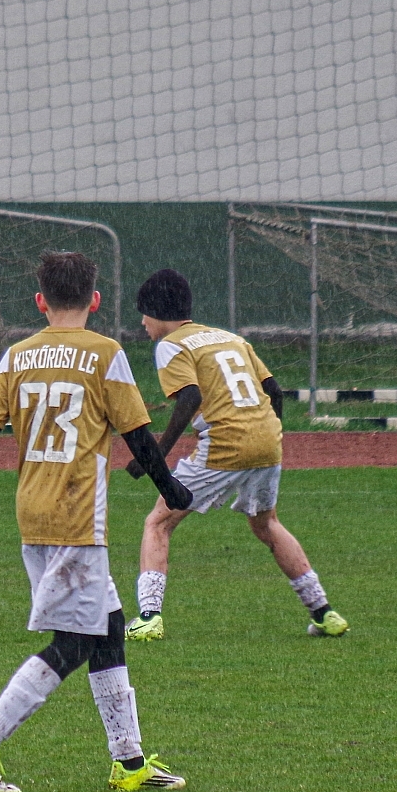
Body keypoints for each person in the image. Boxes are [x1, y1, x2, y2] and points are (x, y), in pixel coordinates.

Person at [0, 251, 193, 792]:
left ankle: (129, 761)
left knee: (109, 627)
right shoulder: (106, 354)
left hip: (33, 512)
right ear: (95, 300)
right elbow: (137, 436)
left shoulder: (16, 356)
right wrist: (172, 488)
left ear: (40, 302)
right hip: (77, 515)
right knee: (76, 641)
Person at [122, 268, 349, 641]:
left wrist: (155, 456)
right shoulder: (231, 338)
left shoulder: (171, 345)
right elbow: (274, 391)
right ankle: (324, 613)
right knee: (267, 524)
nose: (143, 323)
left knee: (159, 522)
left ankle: (149, 617)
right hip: (267, 439)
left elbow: (190, 397)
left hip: (225, 443)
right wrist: (266, 433)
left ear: (156, 311)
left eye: (143, 314)